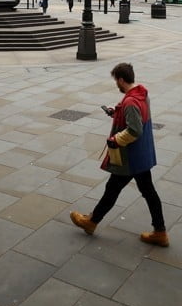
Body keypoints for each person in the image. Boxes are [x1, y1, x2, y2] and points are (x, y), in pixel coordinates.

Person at [70, 62, 168, 247]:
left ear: (121, 80)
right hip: (141, 156)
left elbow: (135, 130)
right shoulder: (141, 94)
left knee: (113, 189)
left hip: (130, 157)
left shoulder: (130, 102)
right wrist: (117, 112)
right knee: (147, 192)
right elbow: (137, 115)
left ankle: (91, 222)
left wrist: (116, 140)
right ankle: (160, 232)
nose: (116, 84)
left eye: (116, 81)